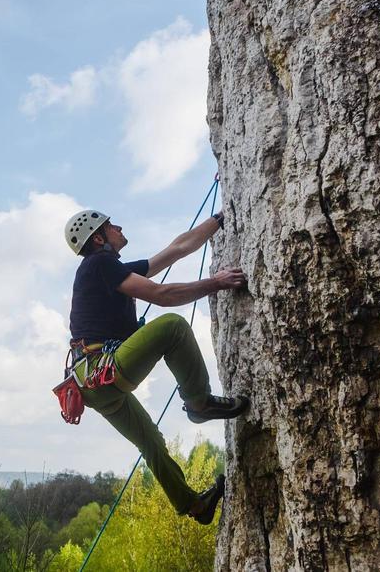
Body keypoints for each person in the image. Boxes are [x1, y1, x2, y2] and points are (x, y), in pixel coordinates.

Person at [63, 208, 249, 524]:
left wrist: (219, 219)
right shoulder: (99, 264)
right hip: (101, 371)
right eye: (110, 226)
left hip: (91, 386)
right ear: (98, 238)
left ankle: (194, 506)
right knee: (173, 327)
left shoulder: (107, 269)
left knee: (151, 443)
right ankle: (199, 403)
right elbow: (161, 295)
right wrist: (214, 283)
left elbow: (176, 250)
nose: (119, 226)